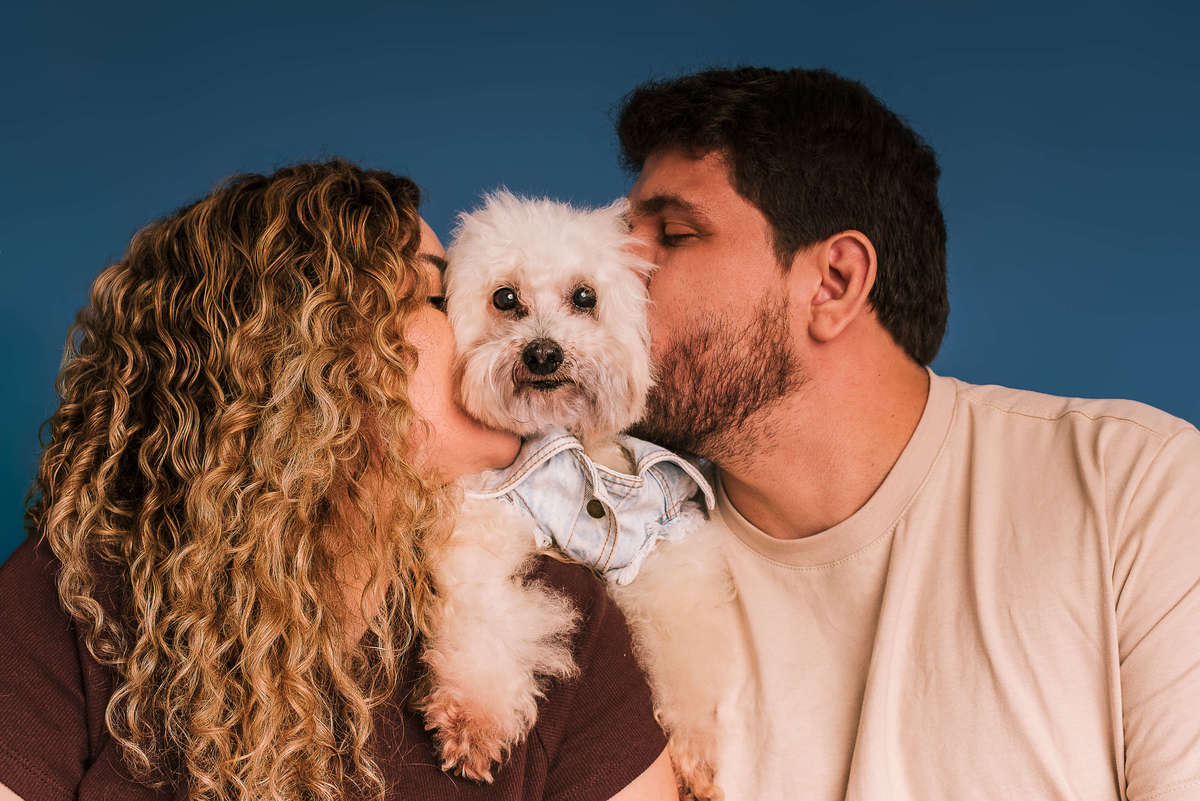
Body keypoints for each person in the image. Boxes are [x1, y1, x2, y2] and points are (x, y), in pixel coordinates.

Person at [0, 161, 677, 801]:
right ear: (309, 355)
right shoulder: (75, 602)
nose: (477, 335)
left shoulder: (563, 619)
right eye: (440, 297)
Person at [619, 67, 1200, 800]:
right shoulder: (621, 561)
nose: (608, 271)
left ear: (833, 282)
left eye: (672, 234)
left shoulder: (1134, 489)